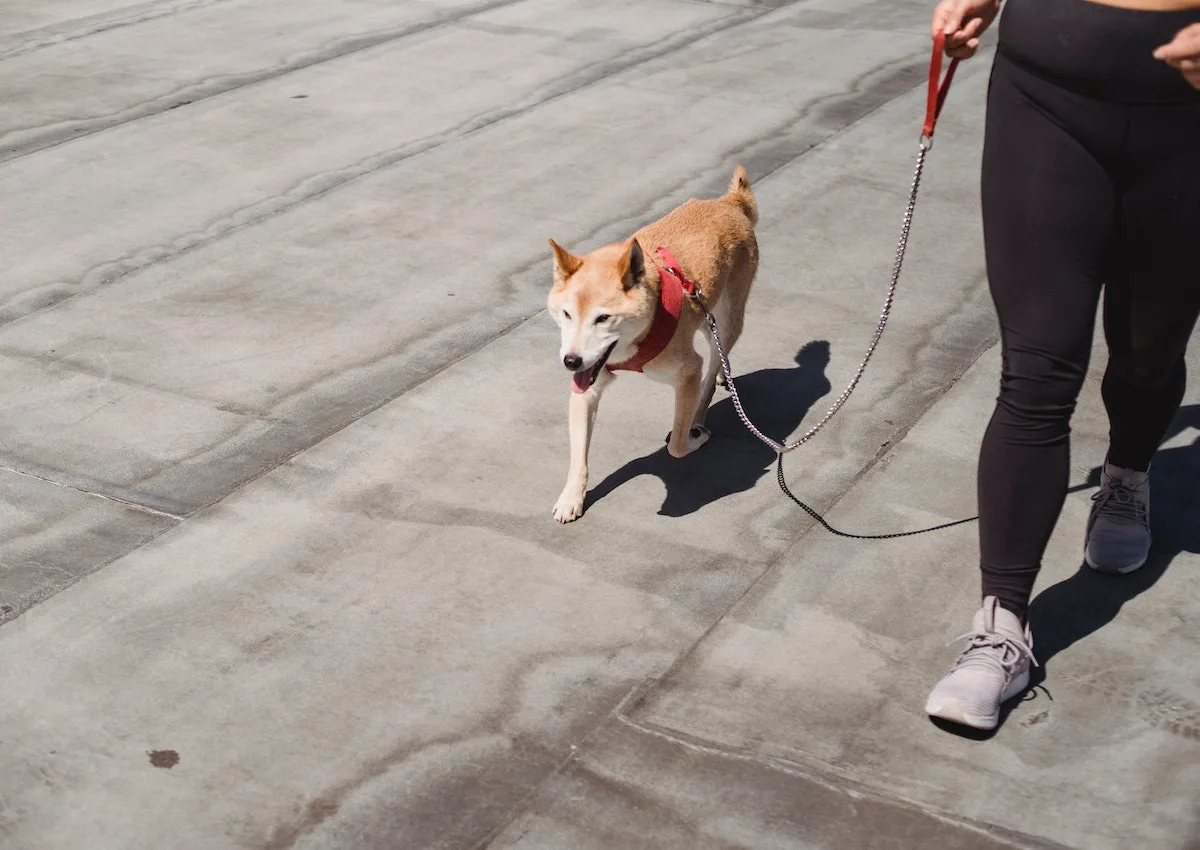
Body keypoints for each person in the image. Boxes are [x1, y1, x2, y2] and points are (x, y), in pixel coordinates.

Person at [923, 0, 1200, 731]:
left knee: (1148, 355)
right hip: (1046, 94)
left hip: (1189, 120)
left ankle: (1127, 475)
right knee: (1038, 369)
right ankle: (1001, 626)